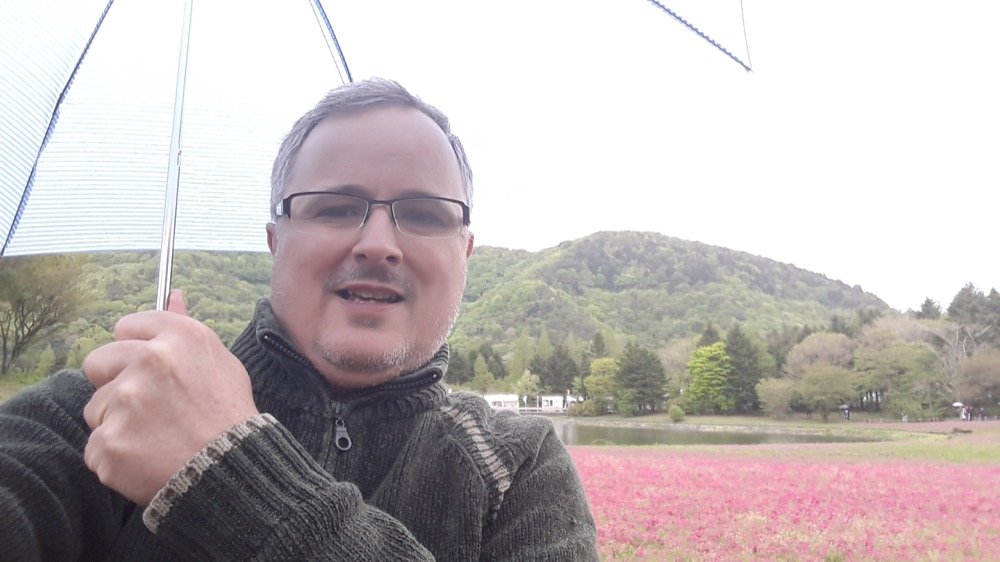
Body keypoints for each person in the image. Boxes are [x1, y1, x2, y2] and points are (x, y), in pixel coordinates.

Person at [0, 78, 598, 560]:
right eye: (337, 207)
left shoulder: (515, 470)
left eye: (423, 212)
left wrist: (225, 467)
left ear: (464, 252)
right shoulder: (104, 414)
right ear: (274, 241)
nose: (378, 243)